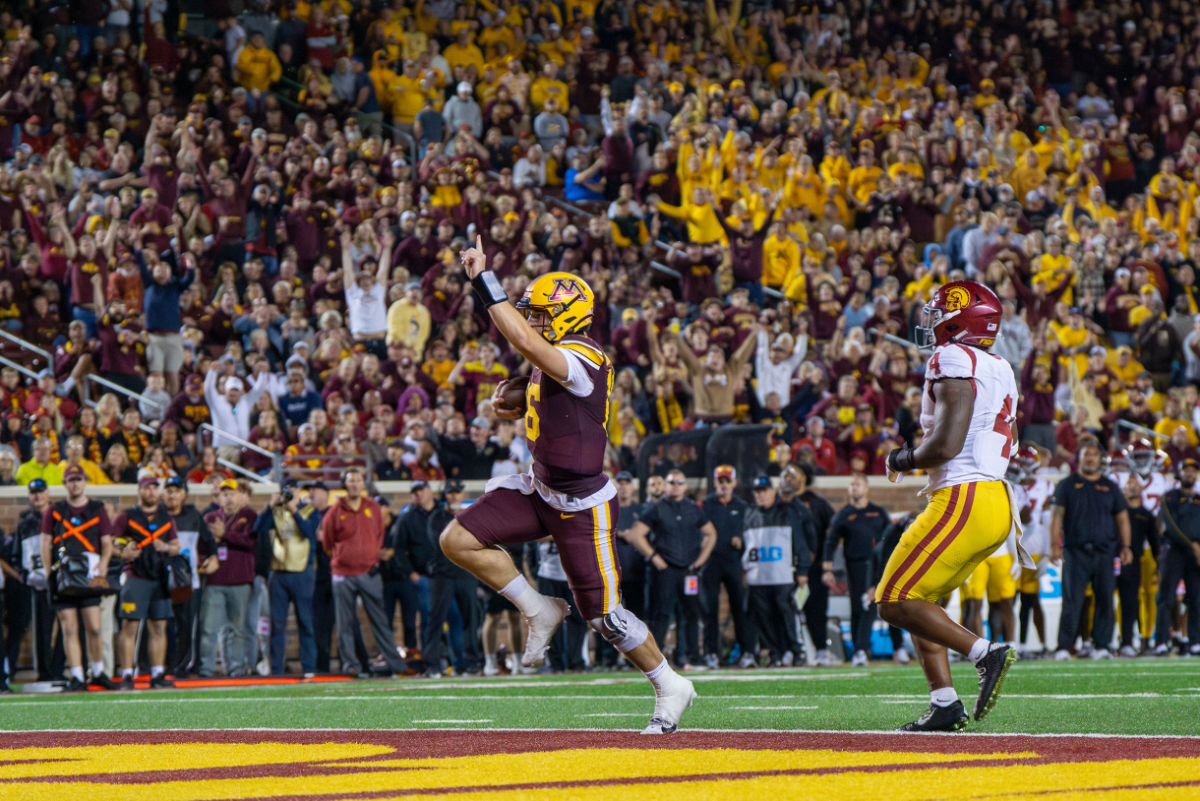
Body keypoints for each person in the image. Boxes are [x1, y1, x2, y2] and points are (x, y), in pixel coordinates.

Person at [439, 248, 698, 735]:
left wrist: (484, 283)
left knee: (604, 617)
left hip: (582, 505)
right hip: (541, 491)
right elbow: (534, 374)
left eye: (540, 313)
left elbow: (530, 346)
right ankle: (538, 608)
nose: (533, 320)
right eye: (532, 312)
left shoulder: (585, 356)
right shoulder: (555, 356)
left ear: (568, 315)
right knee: (457, 539)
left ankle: (669, 684)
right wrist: (518, 393)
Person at [875, 281, 1027, 731]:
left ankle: (985, 652)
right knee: (924, 600)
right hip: (994, 501)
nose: (930, 320)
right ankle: (944, 703)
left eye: (938, 311)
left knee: (893, 599)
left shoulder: (951, 357)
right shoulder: (1000, 365)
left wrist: (901, 458)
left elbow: (945, 444)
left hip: (965, 496)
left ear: (959, 318)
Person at [626, 468, 718, 671]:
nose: (675, 486)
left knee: (691, 613)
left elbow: (711, 533)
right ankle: (654, 660)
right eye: (672, 482)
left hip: (688, 571)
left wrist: (700, 560)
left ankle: (693, 657)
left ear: (685, 486)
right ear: (666, 485)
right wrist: (654, 557)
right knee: (661, 614)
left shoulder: (693, 509)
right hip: (666, 569)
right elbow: (637, 533)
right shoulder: (657, 508)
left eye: (679, 482)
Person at [320, 467, 408, 677]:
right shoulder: (336, 510)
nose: (354, 484)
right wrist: (343, 557)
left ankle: (396, 665)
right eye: (350, 480)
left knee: (380, 621)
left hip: (369, 572)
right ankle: (351, 666)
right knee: (345, 623)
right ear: (344, 484)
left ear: (362, 484)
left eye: (357, 480)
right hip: (343, 574)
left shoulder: (373, 507)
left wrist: (370, 557)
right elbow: (327, 541)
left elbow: (379, 534)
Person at [1049, 442, 1133, 661]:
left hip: (1105, 552)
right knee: (1072, 601)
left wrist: (1126, 546)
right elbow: (1057, 515)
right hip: (1074, 551)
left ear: (1100, 459)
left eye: (1095, 455)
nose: (1091, 458)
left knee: (1105, 599)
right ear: (1079, 457)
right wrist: (1053, 545)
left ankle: (1103, 645)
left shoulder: (1111, 486)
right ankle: (1064, 647)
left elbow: (1123, 518)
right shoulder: (1067, 484)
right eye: (1087, 454)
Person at [40, 465, 116, 691]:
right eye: (70, 480)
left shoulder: (97, 509)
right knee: (69, 627)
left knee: (94, 626)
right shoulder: (55, 510)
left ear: (85, 482)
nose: (75, 484)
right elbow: (45, 542)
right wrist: (48, 572)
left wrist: (103, 564)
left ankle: (98, 671)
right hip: (64, 575)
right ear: (65, 484)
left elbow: (106, 542)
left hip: (89, 575)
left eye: (78, 479)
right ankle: (77, 675)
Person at [113, 476, 180, 689]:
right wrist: (123, 553)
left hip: (159, 577)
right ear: (139, 491)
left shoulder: (165, 517)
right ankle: (126, 674)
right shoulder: (127, 515)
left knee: (159, 626)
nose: (151, 492)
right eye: (147, 488)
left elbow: (177, 546)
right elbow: (109, 544)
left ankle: (157, 673)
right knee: (130, 626)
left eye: (153, 488)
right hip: (135, 576)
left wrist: (166, 548)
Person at [741, 476, 815, 667]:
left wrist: (802, 570)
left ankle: (795, 650)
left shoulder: (786, 513)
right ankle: (776, 653)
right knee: (765, 619)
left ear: (773, 492)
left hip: (782, 575)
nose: (761, 495)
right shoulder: (750, 514)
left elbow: (799, 542)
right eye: (757, 492)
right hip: (758, 576)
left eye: (764, 491)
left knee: (786, 615)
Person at [823, 473, 891, 666]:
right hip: (855, 565)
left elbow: (891, 539)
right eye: (852, 484)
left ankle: (864, 648)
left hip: (878, 566)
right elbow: (831, 541)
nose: (854, 487)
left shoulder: (878, 512)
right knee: (857, 606)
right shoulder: (844, 514)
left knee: (873, 603)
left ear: (866, 488)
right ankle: (859, 648)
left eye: (858, 484)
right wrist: (827, 568)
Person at [198, 479, 259, 677]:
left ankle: (235, 669)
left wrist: (225, 535)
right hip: (215, 580)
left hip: (240, 580)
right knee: (209, 628)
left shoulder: (249, 516)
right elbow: (201, 546)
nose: (228, 497)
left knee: (237, 629)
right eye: (224, 494)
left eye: (231, 493)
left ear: (240, 495)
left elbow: (250, 542)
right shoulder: (210, 517)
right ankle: (206, 669)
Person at [421, 479, 481, 676]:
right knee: (435, 620)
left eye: (457, 492)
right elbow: (445, 544)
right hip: (443, 575)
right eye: (450, 492)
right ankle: (431, 665)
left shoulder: (471, 516)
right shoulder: (436, 517)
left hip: (466, 573)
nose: (454, 496)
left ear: (463, 495)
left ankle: (471, 663)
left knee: (470, 620)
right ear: (445, 495)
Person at [256, 486, 318, 675]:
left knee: (306, 622)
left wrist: (294, 511)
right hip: (279, 572)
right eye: (286, 491)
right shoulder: (276, 511)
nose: (289, 494)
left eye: (293, 490)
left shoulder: (310, 510)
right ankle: (276, 669)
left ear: (300, 492)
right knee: (277, 623)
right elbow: (258, 528)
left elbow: (309, 532)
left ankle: (309, 667)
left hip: (302, 571)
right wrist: (269, 506)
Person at [162, 477, 217, 678]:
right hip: (162, 578)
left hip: (188, 578)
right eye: (168, 490)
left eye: (176, 490)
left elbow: (209, 542)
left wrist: (213, 558)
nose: (172, 494)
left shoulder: (193, 515)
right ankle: (161, 665)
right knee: (163, 623)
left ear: (183, 494)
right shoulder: (159, 516)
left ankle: (184, 666)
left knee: (186, 624)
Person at [699, 465, 752, 669]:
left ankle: (747, 652)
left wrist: (743, 544)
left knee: (740, 608)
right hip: (711, 561)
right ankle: (712, 652)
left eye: (727, 480)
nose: (724, 485)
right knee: (710, 608)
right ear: (715, 482)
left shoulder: (743, 507)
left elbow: (751, 535)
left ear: (734, 483)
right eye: (720, 481)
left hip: (734, 561)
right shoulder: (705, 505)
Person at [784, 464, 836, 666]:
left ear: (804, 477)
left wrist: (826, 564)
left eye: (793, 473)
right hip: (785, 567)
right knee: (786, 609)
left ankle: (821, 649)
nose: (789, 477)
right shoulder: (782, 502)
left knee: (816, 610)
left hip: (813, 569)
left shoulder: (818, 503)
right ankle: (791, 649)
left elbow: (833, 533)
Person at [382, 479, 436, 656]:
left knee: (450, 618)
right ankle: (429, 659)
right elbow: (399, 550)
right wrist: (412, 574)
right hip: (421, 576)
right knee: (425, 619)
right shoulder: (407, 518)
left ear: (429, 491)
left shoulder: (441, 514)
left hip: (444, 576)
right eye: (414, 491)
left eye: (420, 490)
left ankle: (449, 658)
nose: (417, 494)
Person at [1155, 458, 1200, 656]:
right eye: (1186, 470)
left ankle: (1195, 641)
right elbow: (1171, 526)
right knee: (1166, 597)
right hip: (1174, 551)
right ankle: (1161, 642)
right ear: (1179, 473)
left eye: (1193, 471)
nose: (1189, 474)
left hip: (1195, 555)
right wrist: (1193, 545)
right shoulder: (1169, 497)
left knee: (1196, 599)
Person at [1118, 474, 1159, 657]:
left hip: (1133, 562)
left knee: (1131, 602)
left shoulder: (1146, 515)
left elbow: (1155, 542)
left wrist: (1159, 564)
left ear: (1142, 489)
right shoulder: (1116, 510)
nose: (1132, 487)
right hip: (1111, 560)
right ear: (1123, 488)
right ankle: (1100, 642)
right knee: (1103, 600)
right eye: (1128, 484)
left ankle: (1128, 641)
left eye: (1135, 484)